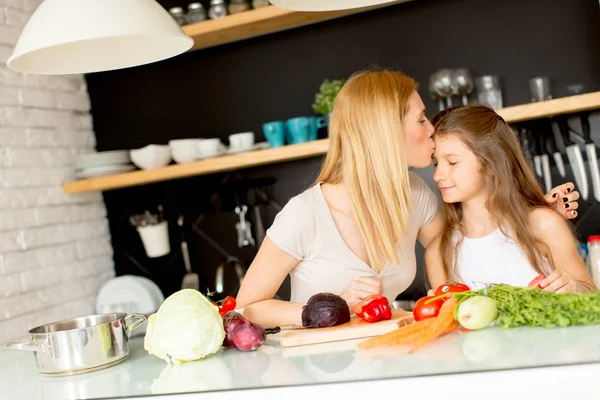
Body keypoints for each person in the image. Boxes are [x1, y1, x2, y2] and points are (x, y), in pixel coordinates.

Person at [235, 69, 579, 327]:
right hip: (324, 373)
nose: (431, 128)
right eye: (420, 119)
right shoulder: (305, 214)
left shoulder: (414, 193)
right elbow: (246, 308)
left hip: (393, 359)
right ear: (386, 131)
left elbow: (457, 235)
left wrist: (532, 214)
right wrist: (326, 307)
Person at [425, 104, 595, 293]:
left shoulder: (544, 225)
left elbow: (592, 300)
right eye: (435, 163)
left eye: (452, 162)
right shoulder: (437, 253)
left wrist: (575, 288)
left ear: (491, 164)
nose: (437, 175)